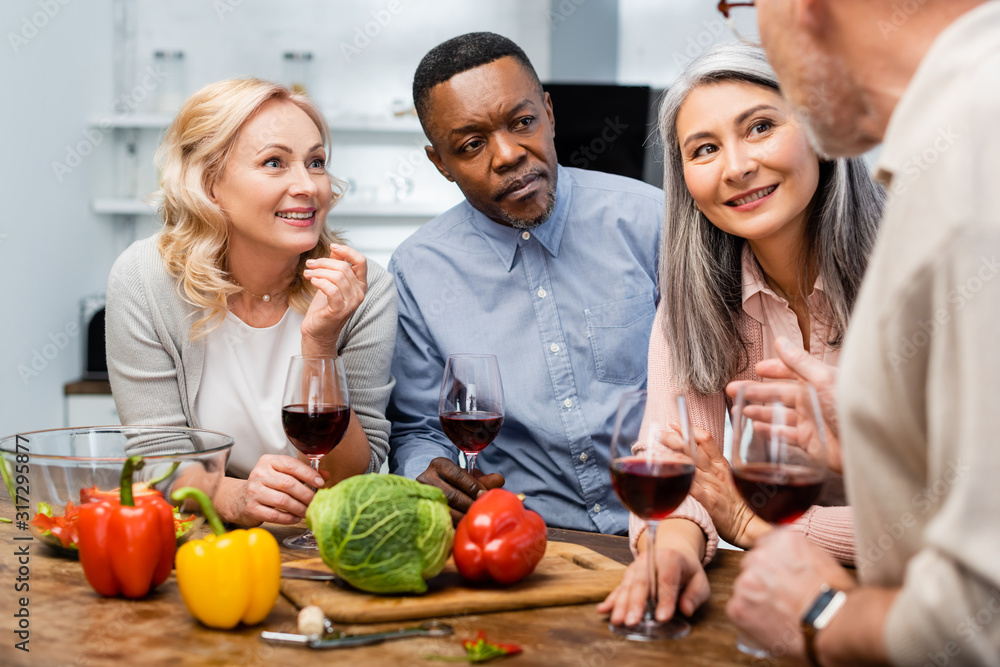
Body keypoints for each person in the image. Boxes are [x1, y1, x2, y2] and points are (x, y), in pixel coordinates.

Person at [725, 1, 1000, 665]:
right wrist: (894, 443)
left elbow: (980, 618)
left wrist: (821, 612)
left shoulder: (970, 154)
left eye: (743, 6)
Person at [387, 32, 717, 555]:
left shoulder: (652, 221)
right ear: (439, 163)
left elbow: (708, 387)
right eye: (471, 145)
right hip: (524, 546)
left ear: (549, 113)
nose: (509, 155)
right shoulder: (417, 269)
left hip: (670, 527)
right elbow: (420, 427)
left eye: (522, 123)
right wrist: (424, 470)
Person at [597, 42, 884, 629]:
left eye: (759, 127)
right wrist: (669, 552)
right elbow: (673, 464)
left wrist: (753, 526)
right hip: (786, 591)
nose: (735, 167)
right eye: (704, 149)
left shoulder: (919, 275)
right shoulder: (695, 301)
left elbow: (962, 519)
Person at [106, 78, 397, 527]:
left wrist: (319, 344)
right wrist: (227, 493)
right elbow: (154, 459)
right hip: (206, 542)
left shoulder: (363, 288)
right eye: (274, 162)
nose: (308, 186)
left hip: (321, 543)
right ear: (209, 184)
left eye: (316, 162)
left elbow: (357, 472)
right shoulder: (145, 278)